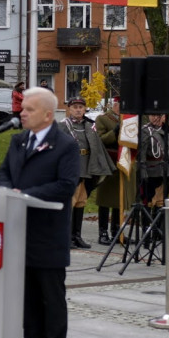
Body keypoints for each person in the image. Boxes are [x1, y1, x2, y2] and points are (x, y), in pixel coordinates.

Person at [0, 86, 79, 338]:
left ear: (47, 114)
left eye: (29, 109)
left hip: (48, 234)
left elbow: (67, 184)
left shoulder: (65, 145)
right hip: (20, 232)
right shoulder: (19, 141)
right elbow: (2, 172)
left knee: (51, 301)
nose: (22, 112)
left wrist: (26, 194)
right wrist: (8, 190)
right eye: (22, 108)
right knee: (28, 299)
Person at [59, 96, 114, 248]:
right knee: (70, 202)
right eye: (75, 107)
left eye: (81, 107)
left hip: (86, 166)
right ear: (69, 109)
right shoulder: (62, 126)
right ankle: (67, 237)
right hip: (71, 168)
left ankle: (77, 235)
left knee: (81, 201)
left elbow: (97, 147)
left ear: (85, 109)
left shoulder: (90, 126)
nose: (78, 109)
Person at [95, 97, 133, 244]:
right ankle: (103, 232)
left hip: (123, 160)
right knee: (104, 198)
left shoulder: (128, 119)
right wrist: (114, 132)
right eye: (119, 105)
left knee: (119, 197)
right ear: (114, 105)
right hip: (108, 161)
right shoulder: (103, 119)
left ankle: (117, 230)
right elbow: (100, 139)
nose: (122, 108)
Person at [137, 114, 169, 207]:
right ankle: (147, 221)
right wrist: (143, 172)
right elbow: (142, 154)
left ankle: (159, 221)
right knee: (149, 202)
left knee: (161, 203)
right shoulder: (145, 131)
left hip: (165, 172)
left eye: (160, 116)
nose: (156, 118)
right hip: (151, 173)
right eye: (153, 115)